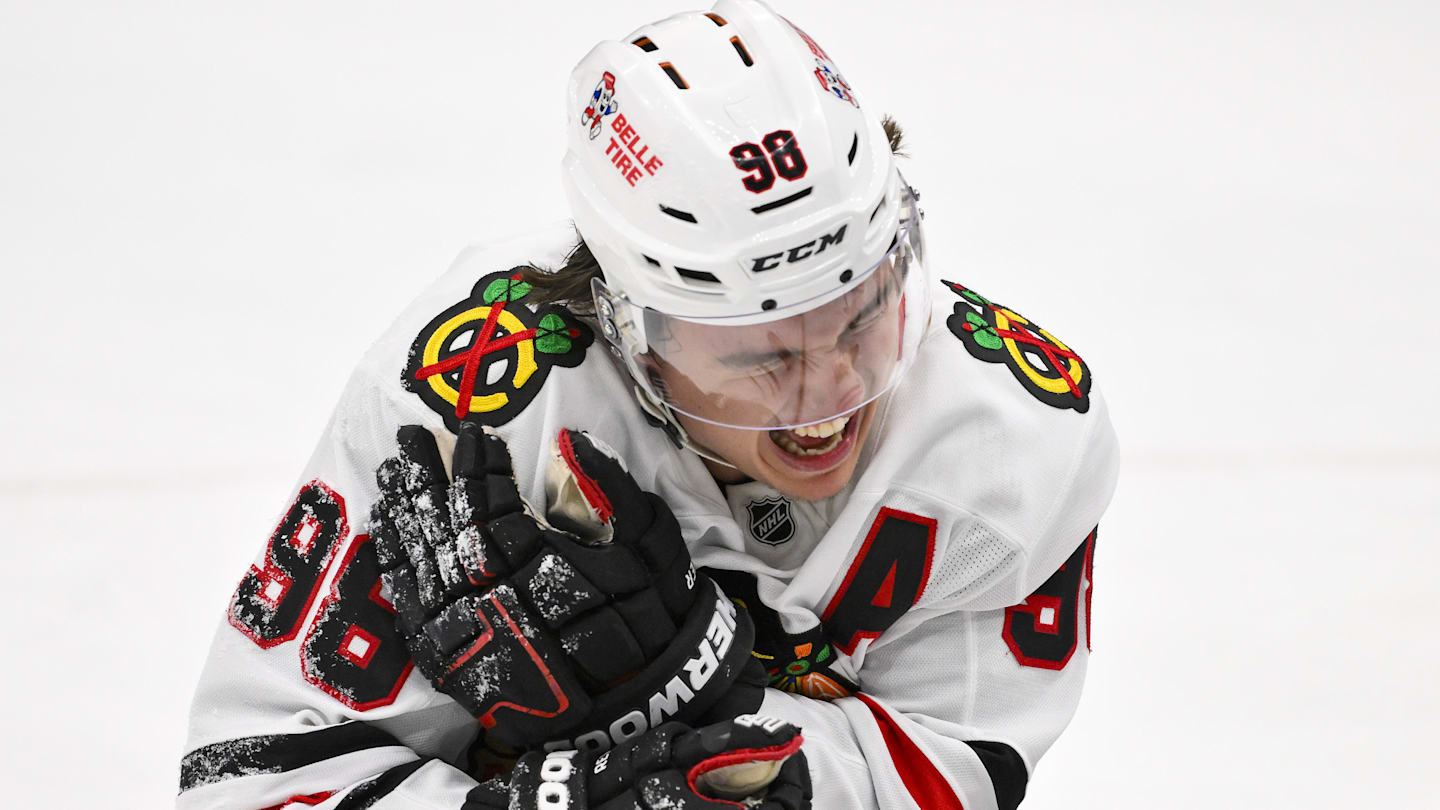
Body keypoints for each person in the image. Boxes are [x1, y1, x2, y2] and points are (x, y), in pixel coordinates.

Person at [179, 2, 1118, 808]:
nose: (830, 395)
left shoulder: (1014, 438)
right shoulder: (479, 407)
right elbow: (248, 775)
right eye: (761, 356)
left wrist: (691, 700)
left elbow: (948, 771)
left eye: (863, 320)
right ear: (632, 324)